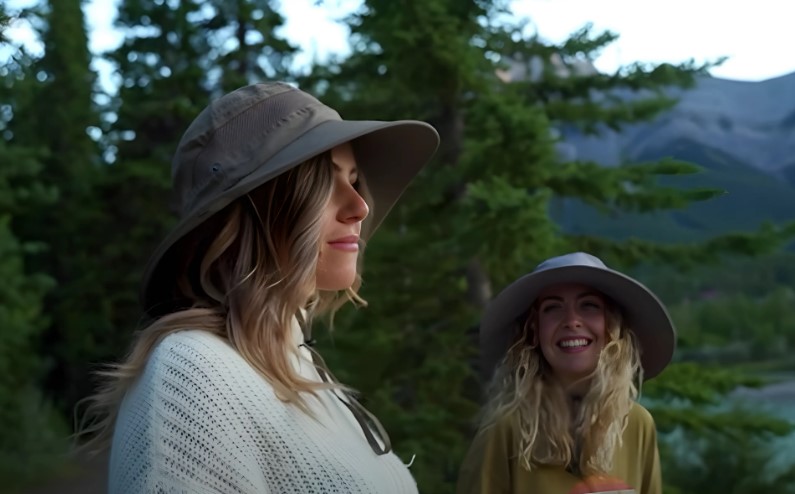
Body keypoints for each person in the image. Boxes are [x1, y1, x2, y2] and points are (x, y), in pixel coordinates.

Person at [78, 82, 440, 493]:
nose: (360, 206)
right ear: (251, 211)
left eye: (355, 180)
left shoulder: (294, 360)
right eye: (323, 183)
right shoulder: (193, 375)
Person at [457, 252, 676, 494]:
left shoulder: (636, 424)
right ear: (533, 331)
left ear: (611, 326)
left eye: (589, 306)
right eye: (553, 308)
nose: (572, 321)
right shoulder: (506, 430)